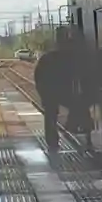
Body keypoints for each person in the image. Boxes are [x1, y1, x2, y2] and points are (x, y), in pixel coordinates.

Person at [33, 29, 83, 158]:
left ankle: (53, 142)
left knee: (50, 116)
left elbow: (38, 77)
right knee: (77, 107)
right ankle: (74, 130)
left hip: (50, 92)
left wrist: (42, 92)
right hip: (63, 91)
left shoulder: (47, 58)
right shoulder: (70, 57)